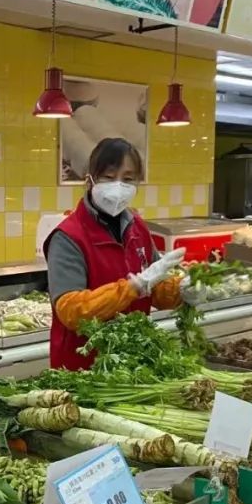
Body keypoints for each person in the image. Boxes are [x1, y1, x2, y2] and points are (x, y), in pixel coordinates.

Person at [45, 137, 186, 371]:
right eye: (109, 177)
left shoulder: (137, 228)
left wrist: (181, 290)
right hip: (84, 367)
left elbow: (156, 292)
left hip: (132, 361)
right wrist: (133, 287)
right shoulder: (68, 236)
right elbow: (71, 311)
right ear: (90, 179)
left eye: (128, 179)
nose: (118, 186)